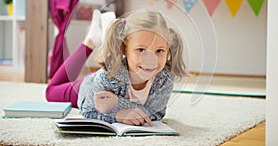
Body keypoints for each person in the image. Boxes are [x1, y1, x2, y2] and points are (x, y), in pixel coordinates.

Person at [46, 9, 188, 126]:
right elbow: (88, 109)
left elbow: (156, 113)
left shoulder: (164, 79)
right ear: (124, 48)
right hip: (91, 86)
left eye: (159, 51)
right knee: (51, 92)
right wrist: (119, 115)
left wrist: (116, 105)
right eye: (140, 50)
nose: (150, 60)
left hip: (111, 76)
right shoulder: (107, 76)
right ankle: (90, 41)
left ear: (168, 50)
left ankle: (98, 38)